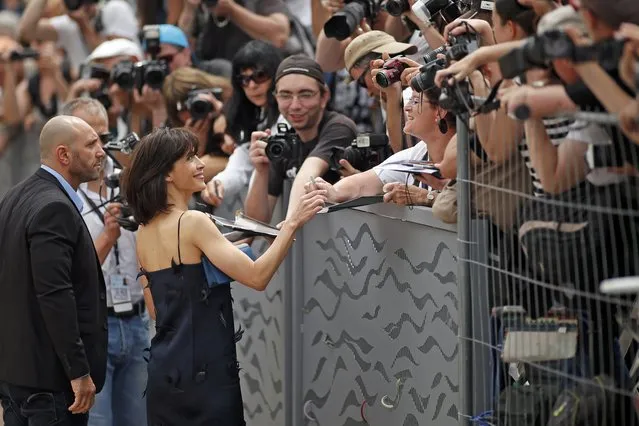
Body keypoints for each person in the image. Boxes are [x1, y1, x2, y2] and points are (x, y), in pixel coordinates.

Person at [124, 127, 327, 425]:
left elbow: (157, 309)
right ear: (167, 173)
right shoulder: (193, 221)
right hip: (206, 375)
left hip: (165, 372)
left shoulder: (143, 230)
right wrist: (292, 222)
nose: (201, 163)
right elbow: (258, 277)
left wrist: (210, 263)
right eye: (190, 158)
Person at [0, 115, 108, 426]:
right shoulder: (54, 207)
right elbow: (54, 294)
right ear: (63, 155)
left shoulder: (15, 195)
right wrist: (78, 371)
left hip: (19, 380)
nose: (101, 151)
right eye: (90, 144)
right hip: (51, 388)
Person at [61, 99, 149, 426]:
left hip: (137, 322)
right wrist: (107, 237)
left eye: (104, 136)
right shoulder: (63, 194)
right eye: (89, 139)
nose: (100, 148)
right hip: (94, 327)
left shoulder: (129, 179)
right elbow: (70, 275)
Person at [244, 54, 357, 224]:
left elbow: (309, 172)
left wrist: (290, 224)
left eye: (305, 95)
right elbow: (255, 223)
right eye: (285, 95)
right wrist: (261, 171)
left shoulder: (339, 127)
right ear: (276, 98)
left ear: (324, 97)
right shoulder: (282, 143)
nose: (295, 105)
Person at [201, 40, 285, 207]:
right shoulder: (252, 115)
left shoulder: (292, 113)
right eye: (244, 79)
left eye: (260, 76)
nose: (252, 85)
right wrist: (219, 183)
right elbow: (242, 161)